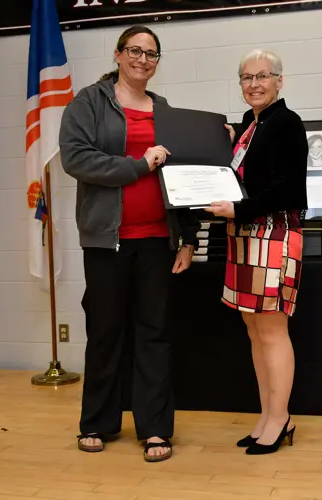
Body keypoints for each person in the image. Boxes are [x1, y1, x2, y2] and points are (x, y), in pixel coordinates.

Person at [58, 25, 199, 462]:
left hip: (159, 239)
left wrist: (188, 238)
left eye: (152, 54)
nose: (143, 59)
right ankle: (97, 422)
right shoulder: (89, 102)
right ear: (119, 55)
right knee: (105, 332)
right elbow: (76, 159)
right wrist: (139, 164)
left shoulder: (166, 110)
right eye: (135, 50)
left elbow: (185, 175)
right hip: (107, 241)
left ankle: (155, 429)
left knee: (154, 334)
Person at [204, 49, 308, 456]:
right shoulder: (250, 123)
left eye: (263, 76)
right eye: (246, 78)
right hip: (245, 235)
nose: (254, 85)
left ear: (279, 81)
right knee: (254, 331)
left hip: (274, 236)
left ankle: (280, 418)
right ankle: (267, 414)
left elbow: (288, 190)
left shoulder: (287, 123)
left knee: (272, 331)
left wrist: (239, 208)